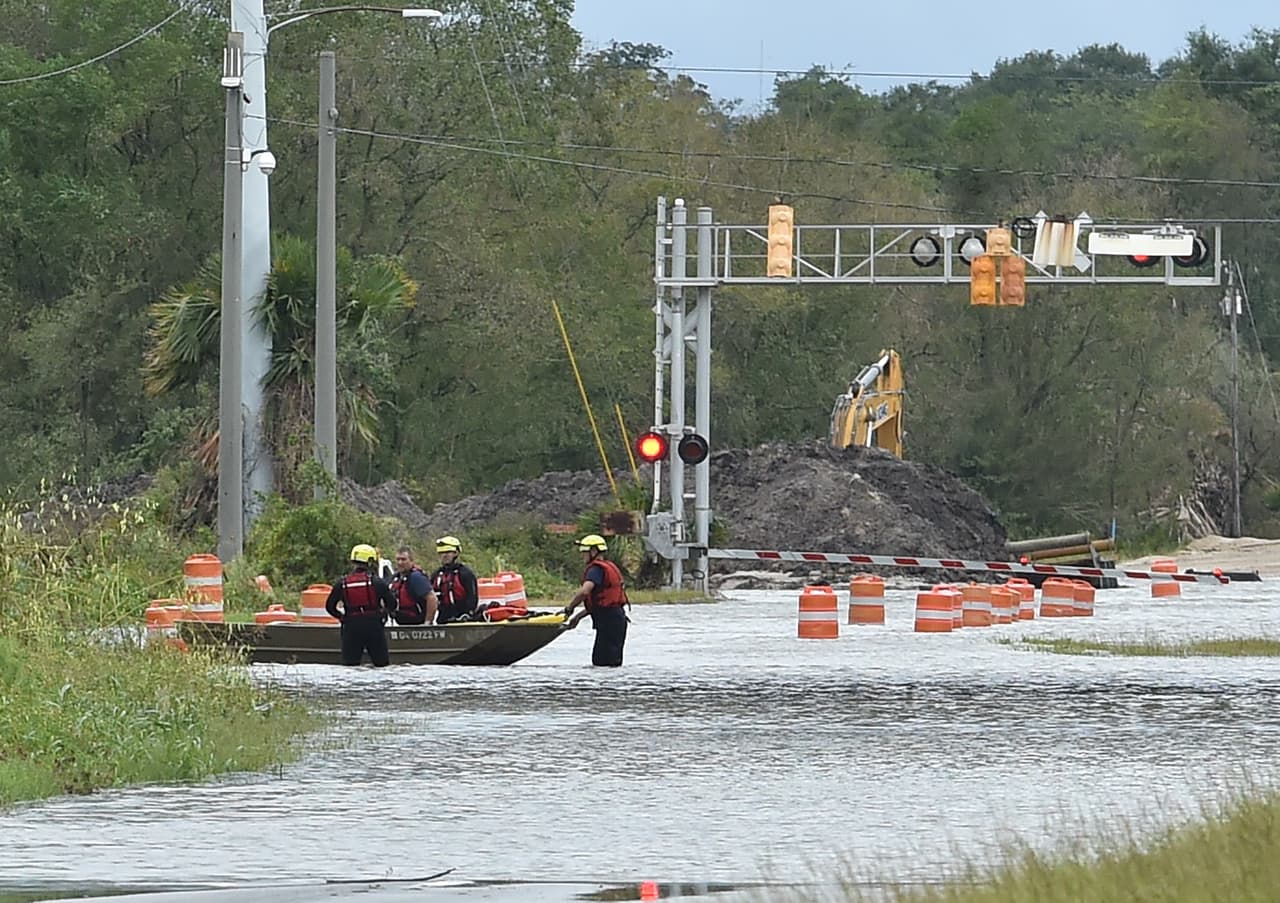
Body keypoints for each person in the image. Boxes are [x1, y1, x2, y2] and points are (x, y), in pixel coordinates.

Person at [325, 543, 398, 666]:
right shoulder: (377, 582)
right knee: (381, 664)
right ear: (370, 562)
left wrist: (342, 617)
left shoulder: (342, 583)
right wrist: (383, 613)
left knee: (350, 664)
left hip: (351, 626)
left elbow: (330, 607)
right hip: (373, 625)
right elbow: (392, 604)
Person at [562, 534, 629, 667]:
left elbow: (585, 591)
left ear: (594, 551)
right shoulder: (607, 567)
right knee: (608, 662)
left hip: (610, 622)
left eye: (585, 553)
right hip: (616, 620)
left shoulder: (595, 569)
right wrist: (577, 618)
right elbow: (599, 604)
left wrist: (570, 608)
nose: (583, 556)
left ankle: (604, 688)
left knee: (602, 662)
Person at [431, 535, 479, 624]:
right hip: (443, 618)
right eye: (442, 553)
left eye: (448, 552)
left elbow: (472, 597)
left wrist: (468, 614)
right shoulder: (436, 575)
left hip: (463, 618)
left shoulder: (465, 573)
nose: (444, 555)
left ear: (456, 553)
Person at [389, 545, 438, 626]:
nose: (400, 562)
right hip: (401, 624)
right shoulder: (396, 578)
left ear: (411, 561)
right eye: (398, 559)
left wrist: (427, 622)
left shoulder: (416, 577)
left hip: (417, 624)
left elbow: (432, 599)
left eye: (403, 559)